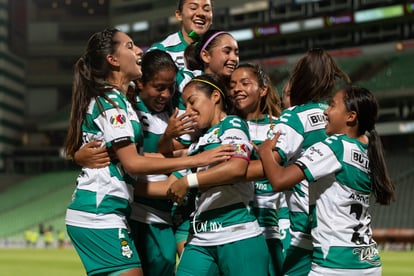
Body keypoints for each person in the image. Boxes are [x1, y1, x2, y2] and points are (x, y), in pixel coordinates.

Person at [63, 28, 235, 276]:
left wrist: (189, 157)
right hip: (99, 211)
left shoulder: (120, 101)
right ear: (113, 60)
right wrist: (198, 159)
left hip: (107, 210)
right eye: (130, 46)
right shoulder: (112, 103)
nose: (139, 51)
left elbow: (133, 157)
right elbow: (133, 163)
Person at [257, 85, 396, 275]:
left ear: (351, 116)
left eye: (332, 106)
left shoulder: (336, 146)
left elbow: (279, 180)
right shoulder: (367, 150)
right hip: (368, 261)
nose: (326, 112)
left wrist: (265, 151)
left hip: (335, 263)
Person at [247, 48, 351, 276]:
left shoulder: (294, 116)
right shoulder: (335, 116)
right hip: (336, 223)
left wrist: (219, 174)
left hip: (304, 224)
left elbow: (269, 164)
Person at [166, 74, 269, 276]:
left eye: (192, 102)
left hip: (237, 232)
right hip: (200, 236)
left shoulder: (232, 125)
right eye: (185, 105)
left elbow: (236, 168)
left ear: (215, 96)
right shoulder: (198, 143)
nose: (188, 111)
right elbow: (171, 184)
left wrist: (190, 181)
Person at [228, 63, 289, 275]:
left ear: (262, 90)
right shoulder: (226, 126)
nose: (237, 88)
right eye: (233, 84)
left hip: (268, 223)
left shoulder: (280, 127)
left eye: (245, 83)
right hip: (232, 221)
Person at [148, 0, 213, 110]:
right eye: (193, 8)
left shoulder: (220, 49)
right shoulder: (161, 51)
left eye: (206, 9)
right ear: (179, 15)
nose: (201, 13)